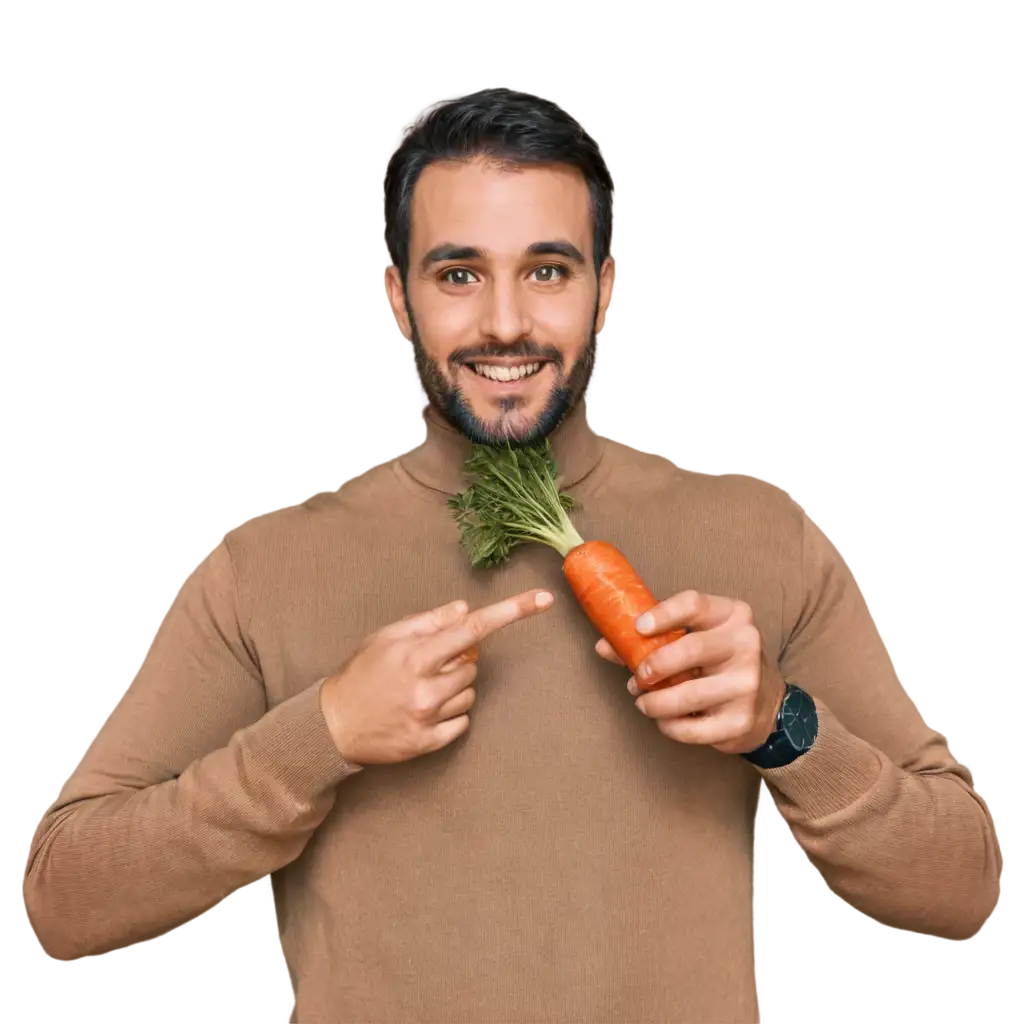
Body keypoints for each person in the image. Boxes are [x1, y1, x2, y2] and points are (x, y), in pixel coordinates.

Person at [24, 88, 998, 1024]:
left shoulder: (756, 538)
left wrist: (781, 725)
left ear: (602, 290)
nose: (503, 321)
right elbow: (64, 899)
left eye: (546, 269)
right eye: (457, 273)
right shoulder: (268, 567)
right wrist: (320, 732)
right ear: (395, 298)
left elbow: (961, 883)